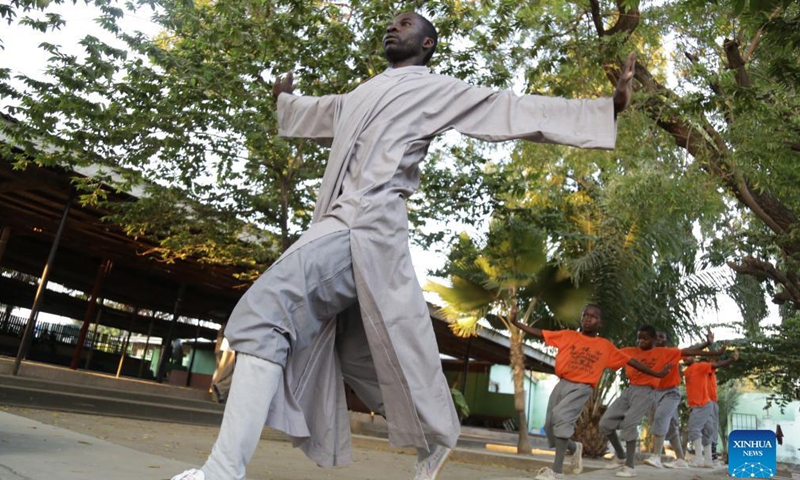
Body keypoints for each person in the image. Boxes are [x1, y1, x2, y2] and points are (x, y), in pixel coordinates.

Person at [172, 11, 636, 480]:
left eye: (407, 23)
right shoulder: (363, 93)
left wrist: (605, 108)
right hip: (337, 226)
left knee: (263, 313)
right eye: (390, 21)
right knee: (356, 356)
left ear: (429, 43)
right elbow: (318, 111)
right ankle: (434, 433)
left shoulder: (438, 89)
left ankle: (221, 472)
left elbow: (513, 107)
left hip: (364, 228)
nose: (392, 26)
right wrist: (286, 99)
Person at [512, 306, 670, 480]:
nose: (588, 319)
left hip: (582, 387)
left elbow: (631, 361)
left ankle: (556, 471)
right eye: (585, 315)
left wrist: (656, 374)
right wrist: (515, 323)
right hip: (562, 384)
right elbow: (541, 333)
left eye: (593, 317)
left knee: (561, 417)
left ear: (600, 322)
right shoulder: (568, 335)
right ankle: (575, 448)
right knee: (549, 424)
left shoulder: (605, 346)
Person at [643, 329, 725, 469]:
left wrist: (707, 343)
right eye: (656, 336)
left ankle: (656, 456)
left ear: (666, 340)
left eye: (662, 336)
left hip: (671, 393)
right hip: (656, 393)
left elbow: (691, 351)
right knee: (671, 427)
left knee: (661, 416)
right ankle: (681, 458)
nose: (658, 338)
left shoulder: (672, 352)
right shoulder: (647, 354)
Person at [683, 350, 738, 468]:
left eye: (688, 356)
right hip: (703, 404)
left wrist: (731, 359)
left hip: (702, 404)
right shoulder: (689, 371)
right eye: (683, 357)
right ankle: (708, 460)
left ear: (694, 356)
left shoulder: (700, 367)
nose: (685, 358)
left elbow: (715, 365)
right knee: (707, 432)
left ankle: (699, 459)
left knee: (695, 430)